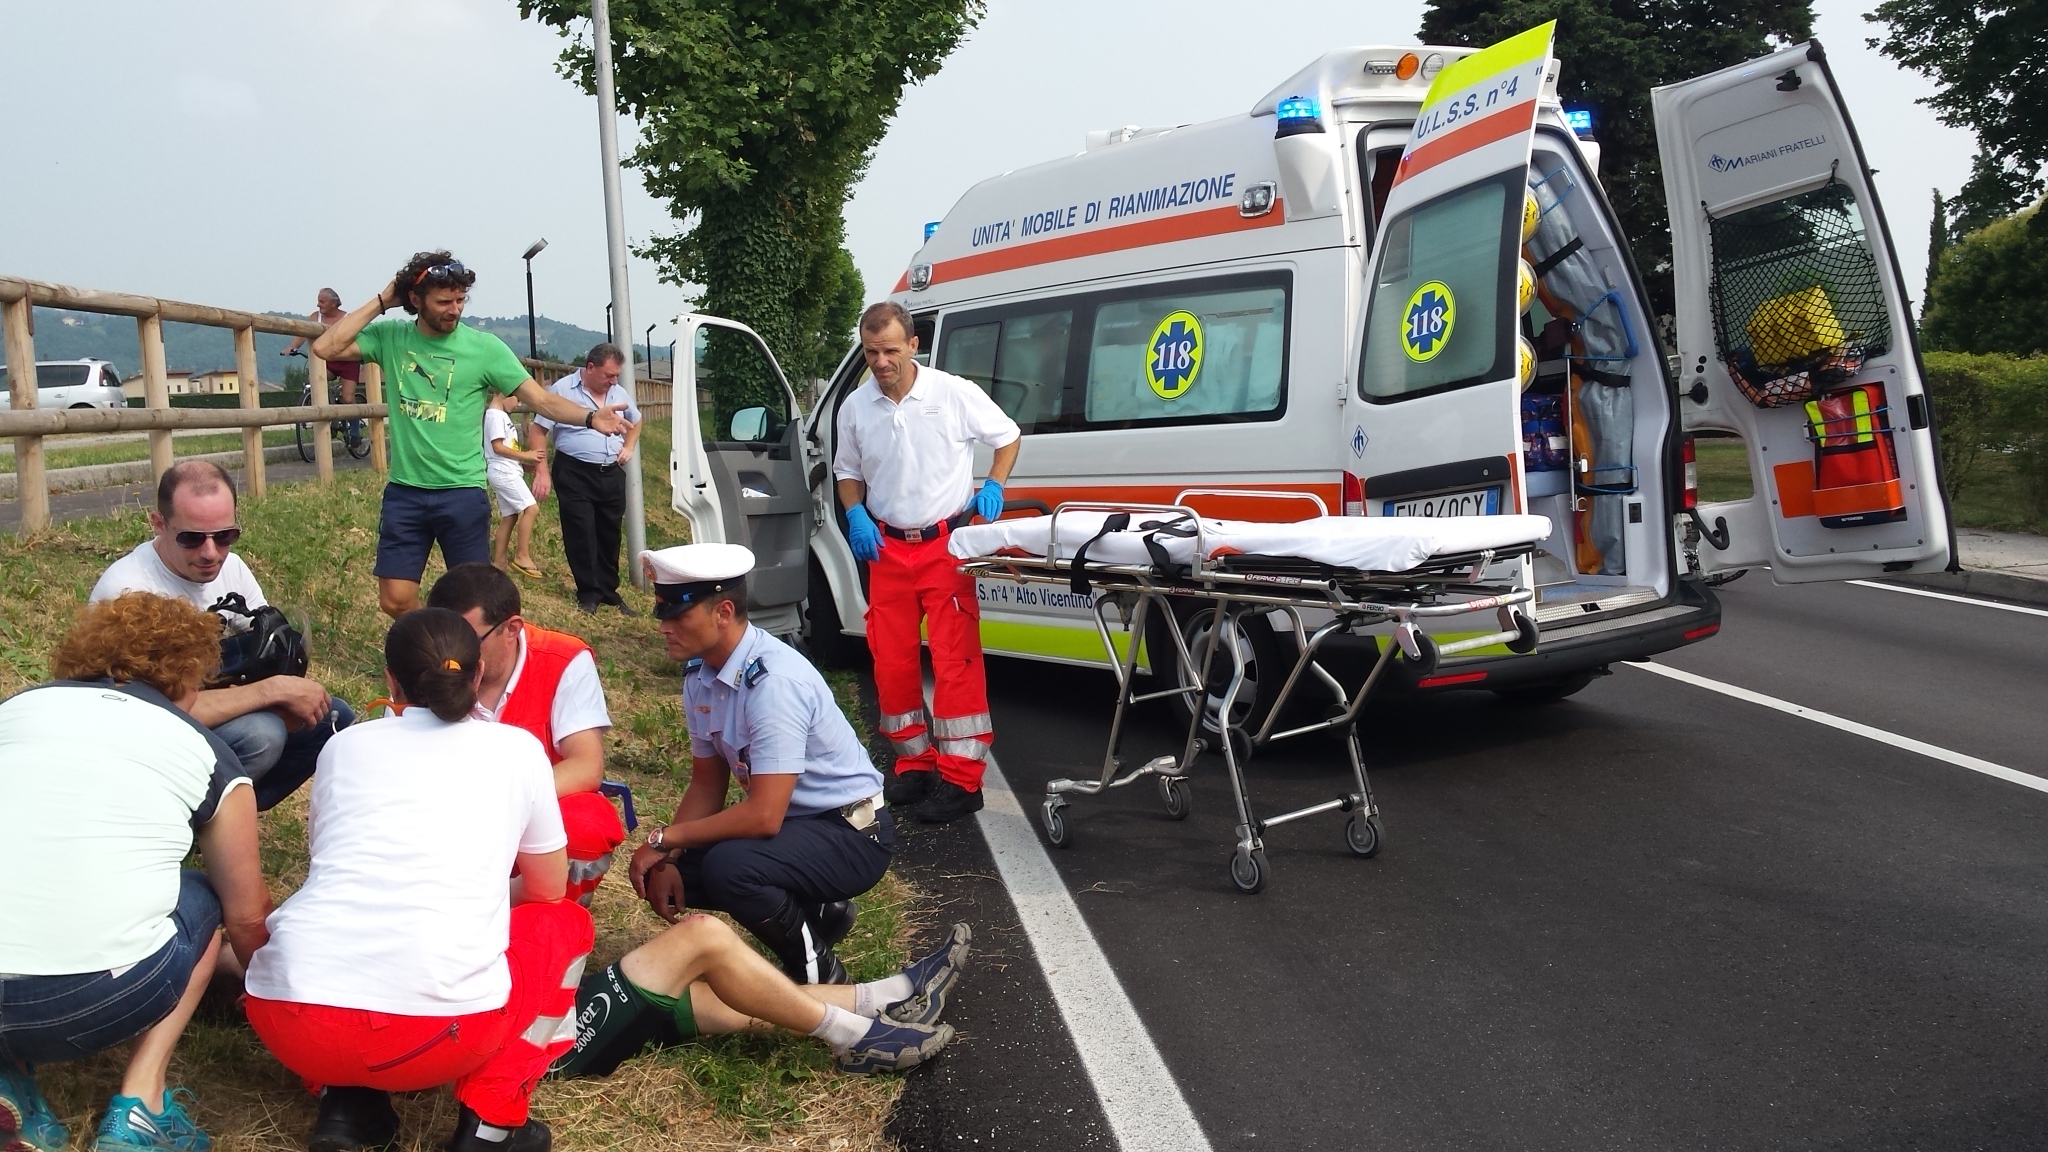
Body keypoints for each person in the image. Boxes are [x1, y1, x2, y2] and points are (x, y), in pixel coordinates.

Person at [243, 609, 592, 1152]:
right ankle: (490, 1125)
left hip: (291, 1019)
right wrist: (474, 898)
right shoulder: (518, 750)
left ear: (390, 679)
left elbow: (336, 862)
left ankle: (348, 1104)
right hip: (437, 1032)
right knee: (564, 922)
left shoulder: (345, 746)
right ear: (478, 677)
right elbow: (547, 890)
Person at [0, 592, 273, 1152]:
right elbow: (247, 918)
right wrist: (274, 1002)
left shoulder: (16, 709)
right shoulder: (207, 753)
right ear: (185, 678)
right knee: (202, 893)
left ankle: (13, 1084)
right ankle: (141, 1106)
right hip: (85, 1003)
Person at [310, 250, 630, 620]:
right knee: (395, 601)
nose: (455, 309)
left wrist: (590, 417)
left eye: (460, 300)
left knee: (473, 605)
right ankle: (439, 638)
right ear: (414, 300)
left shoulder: (485, 349)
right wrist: (384, 300)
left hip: (461, 492)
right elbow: (325, 347)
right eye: (444, 301)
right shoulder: (391, 337)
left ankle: (457, 656)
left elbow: (542, 401)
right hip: (406, 492)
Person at [628, 543, 890, 986]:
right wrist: (667, 855)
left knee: (731, 866)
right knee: (673, 872)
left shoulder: (774, 682)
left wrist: (662, 837)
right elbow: (706, 785)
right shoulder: (702, 676)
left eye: (677, 615)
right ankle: (819, 910)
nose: (664, 628)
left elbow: (764, 816)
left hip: (851, 833)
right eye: (662, 614)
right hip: (799, 827)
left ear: (723, 612)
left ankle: (822, 978)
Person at [833, 301, 1021, 824]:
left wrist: (994, 484)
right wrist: (855, 513)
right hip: (887, 550)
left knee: (954, 657)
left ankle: (962, 780)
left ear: (914, 345)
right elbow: (848, 471)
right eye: (872, 352)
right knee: (890, 660)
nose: (881, 361)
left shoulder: (952, 393)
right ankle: (914, 764)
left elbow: (1007, 437)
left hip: (945, 546)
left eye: (891, 350)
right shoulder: (856, 407)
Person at [90, 460, 353, 810]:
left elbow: (272, 653)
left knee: (330, 715)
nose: (211, 552)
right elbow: (153, 713)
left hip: (203, 711)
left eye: (225, 536)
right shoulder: (129, 593)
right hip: (140, 741)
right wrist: (271, 692)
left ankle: (228, 814)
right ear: (158, 524)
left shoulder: (232, 568)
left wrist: (285, 688)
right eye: (192, 538)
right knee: (262, 735)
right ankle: (172, 821)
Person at [426, 562, 626, 905]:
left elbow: (585, 765)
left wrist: (502, 804)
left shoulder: (563, 659)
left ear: (512, 628)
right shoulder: (427, 658)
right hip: (441, 818)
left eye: (468, 641)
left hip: (530, 823)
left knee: (587, 825)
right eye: (443, 639)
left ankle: (543, 912)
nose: (452, 655)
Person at [554, 919, 970, 1079]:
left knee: (724, 994)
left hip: (538, 1002)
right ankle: (854, 1037)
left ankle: (888, 999)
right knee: (701, 937)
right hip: (526, 1042)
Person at [531, 343, 642, 614]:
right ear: (590, 368)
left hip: (610, 472)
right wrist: (542, 470)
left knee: (610, 532)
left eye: (616, 375)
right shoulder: (561, 391)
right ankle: (588, 593)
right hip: (574, 472)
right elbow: (537, 430)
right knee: (581, 531)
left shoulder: (618, 392)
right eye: (608, 375)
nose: (613, 381)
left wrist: (628, 447)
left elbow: (636, 421)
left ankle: (608, 591)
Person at [484, 392, 543, 578]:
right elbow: (498, 447)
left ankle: (499, 561)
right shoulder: (494, 415)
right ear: (503, 394)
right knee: (531, 509)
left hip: (508, 469)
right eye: (517, 399)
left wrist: (522, 464)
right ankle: (522, 555)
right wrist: (527, 455)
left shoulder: (501, 416)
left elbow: (507, 448)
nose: (518, 405)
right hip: (503, 471)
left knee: (510, 516)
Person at [282, 288, 361, 404]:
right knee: (314, 380)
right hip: (326, 360)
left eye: (322, 302)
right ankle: (328, 404)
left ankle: (355, 422)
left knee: (348, 399)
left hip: (348, 361)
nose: (318, 305)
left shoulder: (348, 318)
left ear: (333, 303)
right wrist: (293, 346)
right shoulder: (315, 317)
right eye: (318, 301)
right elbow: (302, 333)